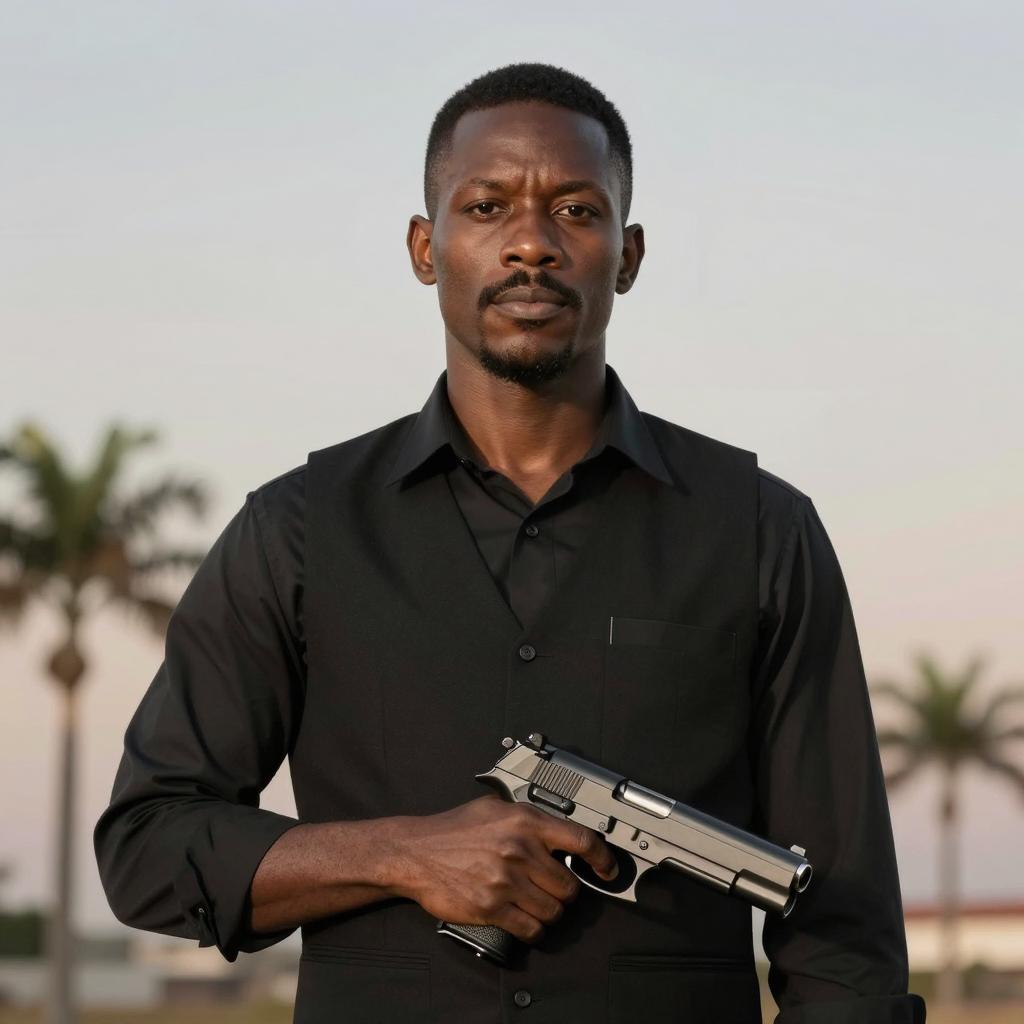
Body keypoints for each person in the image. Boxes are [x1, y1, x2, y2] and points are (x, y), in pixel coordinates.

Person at [94, 63, 926, 1023]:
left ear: (628, 255)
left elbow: (845, 934)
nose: (532, 242)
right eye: (487, 207)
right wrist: (401, 854)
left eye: (576, 210)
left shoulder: (761, 530)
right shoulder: (295, 533)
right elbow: (148, 845)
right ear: (426, 247)